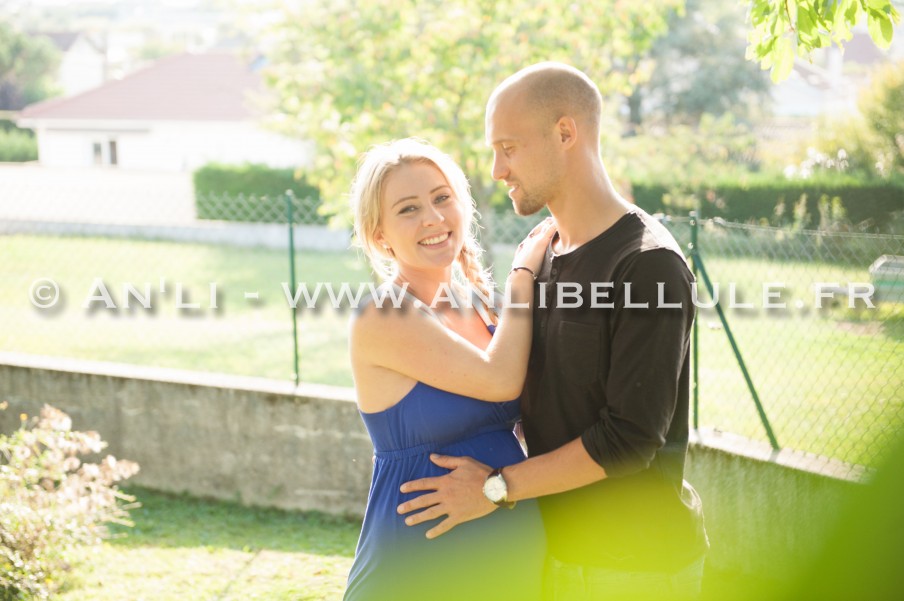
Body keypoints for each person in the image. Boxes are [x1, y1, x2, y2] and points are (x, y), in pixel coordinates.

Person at [398, 63, 709, 600]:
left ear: (566, 133)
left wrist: (495, 487)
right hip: (549, 556)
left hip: (634, 571)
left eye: (509, 148)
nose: (497, 169)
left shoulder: (648, 264)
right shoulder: (540, 256)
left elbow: (630, 439)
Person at [342, 138, 552, 601]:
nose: (433, 218)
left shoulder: (488, 308)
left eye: (442, 198)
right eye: (408, 209)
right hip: (419, 568)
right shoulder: (383, 315)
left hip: (509, 562)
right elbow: (500, 381)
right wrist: (524, 275)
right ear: (379, 235)